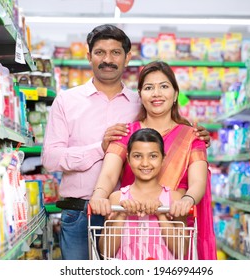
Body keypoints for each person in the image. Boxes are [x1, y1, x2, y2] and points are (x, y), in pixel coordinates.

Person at [42, 24, 210, 260]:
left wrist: (196, 135)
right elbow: (50, 160)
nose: (107, 59)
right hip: (85, 211)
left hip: (148, 216)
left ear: (127, 57)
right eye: (100, 52)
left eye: (116, 53)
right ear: (89, 56)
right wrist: (99, 153)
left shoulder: (140, 104)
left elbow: (180, 152)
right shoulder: (67, 101)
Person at [90, 60, 216, 260]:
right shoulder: (125, 132)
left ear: (175, 94)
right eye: (149, 87)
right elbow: (108, 173)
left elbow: (198, 182)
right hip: (132, 219)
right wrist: (99, 196)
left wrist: (186, 201)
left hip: (175, 221)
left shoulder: (191, 136)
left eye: (164, 86)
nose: (156, 93)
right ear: (140, 95)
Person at [98, 128, 190, 260]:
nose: (145, 163)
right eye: (137, 156)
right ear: (128, 159)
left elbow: (181, 250)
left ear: (163, 158)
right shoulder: (117, 198)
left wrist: (161, 216)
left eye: (153, 156)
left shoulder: (174, 198)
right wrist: (121, 215)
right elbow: (106, 252)